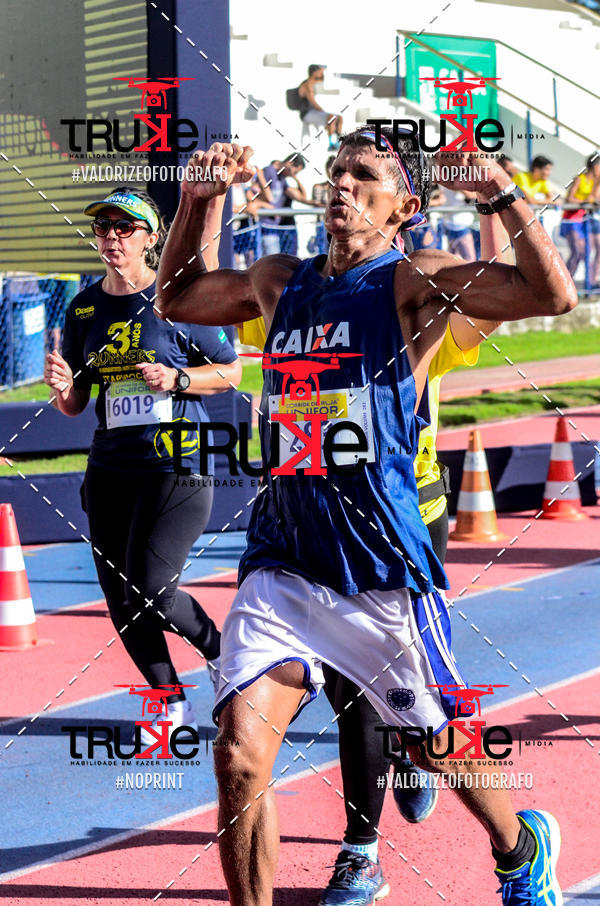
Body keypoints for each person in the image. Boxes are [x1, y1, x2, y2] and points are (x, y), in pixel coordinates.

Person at [157, 136, 576, 906]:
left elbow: (552, 297)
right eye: (335, 175)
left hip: (379, 561)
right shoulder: (279, 283)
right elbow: (178, 299)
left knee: (434, 741)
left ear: (404, 208)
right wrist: (197, 199)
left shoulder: (414, 283)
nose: (341, 187)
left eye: (364, 178)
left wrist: (498, 195)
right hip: (282, 559)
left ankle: (521, 847)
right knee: (240, 757)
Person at [234, 216, 511, 906]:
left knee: (390, 706)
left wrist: (492, 209)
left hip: (407, 515)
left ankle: (414, 757)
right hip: (303, 529)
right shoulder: (305, 301)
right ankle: (365, 844)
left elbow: (499, 296)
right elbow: (234, 317)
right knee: (344, 697)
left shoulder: (420, 303)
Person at [43, 186, 241, 742]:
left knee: (152, 587)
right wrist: (63, 388)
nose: (110, 237)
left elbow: (231, 371)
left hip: (175, 466)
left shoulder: (177, 300)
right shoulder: (83, 307)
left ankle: (225, 656)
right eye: (103, 227)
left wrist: (177, 378)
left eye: (123, 228)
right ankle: (166, 699)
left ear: (152, 238)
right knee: (118, 595)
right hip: (109, 469)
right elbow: (79, 403)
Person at [251, 153, 308, 255]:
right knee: (270, 262)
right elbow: (269, 197)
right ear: (289, 163)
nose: (293, 174)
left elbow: (302, 197)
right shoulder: (269, 171)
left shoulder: (282, 178)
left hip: (275, 227)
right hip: (265, 225)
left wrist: (295, 178)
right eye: (294, 172)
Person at [560, 152, 600, 283]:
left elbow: (594, 198)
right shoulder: (580, 179)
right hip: (570, 219)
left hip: (582, 221)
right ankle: (563, 282)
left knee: (583, 253)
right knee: (577, 252)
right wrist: (583, 202)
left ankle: (569, 282)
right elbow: (569, 199)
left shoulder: (594, 182)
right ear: (594, 166)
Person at [297, 64, 343, 150]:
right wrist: (325, 114)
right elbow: (314, 103)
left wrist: (322, 72)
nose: (321, 73)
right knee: (331, 117)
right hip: (306, 114)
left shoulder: (312, 83)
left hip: (313, 112)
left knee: (339, 118)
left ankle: (338, 141)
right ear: (314, 73)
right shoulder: (307, 86)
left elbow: (321, 80)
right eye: (319, 72)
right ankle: (331, 144)